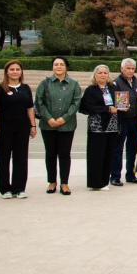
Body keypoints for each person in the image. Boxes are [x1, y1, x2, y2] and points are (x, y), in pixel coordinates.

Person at [36, 56, 82, 194]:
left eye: (62, 64)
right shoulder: (45, 83)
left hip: (67, 126)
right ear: (52, 67)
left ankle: (64, 183)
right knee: (50, 154)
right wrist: (48, 118)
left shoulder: (74, 84)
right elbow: (39, 102)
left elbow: (76, 102)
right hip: (48, 125)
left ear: (66, 67)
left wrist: (65, 118)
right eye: (56, 64)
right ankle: (52, 182)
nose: (59, 67)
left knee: (64, 154)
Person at [0, 60, 35, 199]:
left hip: (22, 127)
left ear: (21, 72)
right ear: (6, 72)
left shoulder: (25, 88)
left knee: (21, 158)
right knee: (3, 158)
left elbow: (30, 107)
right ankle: (5, 188)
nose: (15, 71)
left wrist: (33, 125)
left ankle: (19, 188)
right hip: (4, 128)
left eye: (18, 69)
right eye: (12, 69)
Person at [79, 65, 120, 191]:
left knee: (108, 154)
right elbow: (87, 107)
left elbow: (120, 102)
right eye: (100, 73)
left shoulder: (113, 88)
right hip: (97, 127)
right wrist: (106, 109)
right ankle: (96, 182)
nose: (103, 75)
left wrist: (123, 106)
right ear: (95, 75)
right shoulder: (91, 90)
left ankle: (104, 180)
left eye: (105, 73)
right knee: (96, 155)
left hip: (112, 126)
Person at [112, 58, 137, 186]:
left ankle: (130, 174)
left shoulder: (136, 81)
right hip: (121, 120)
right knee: (117, 149)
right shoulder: (116, 83)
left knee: (132, 148)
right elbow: (114, 101)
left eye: (132, 69)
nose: (130, 71)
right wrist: (120, 106)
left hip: (134, 119)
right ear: (122, 69)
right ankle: (115, 176)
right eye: (128, 68)